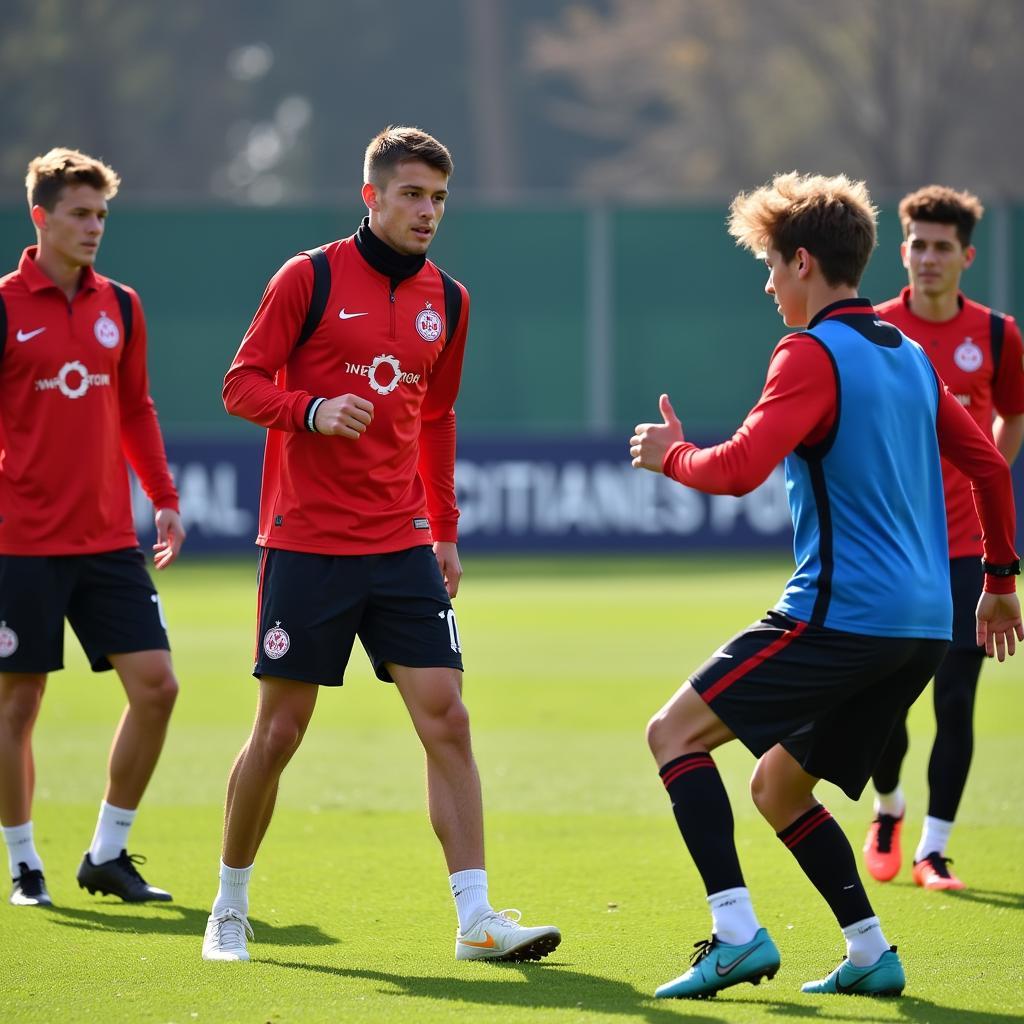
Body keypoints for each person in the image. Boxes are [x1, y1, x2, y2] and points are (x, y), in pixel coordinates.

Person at [629, 171, 1021, 999]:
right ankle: (871, 950)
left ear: (803, 262)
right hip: (922, 625)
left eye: (771, 266)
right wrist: (997, 580)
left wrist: (671, 456)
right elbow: (989, 462)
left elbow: (736, 470)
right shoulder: (908, 355)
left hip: (843, 615)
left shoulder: (809, 354)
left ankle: (735, 934)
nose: (769, 285)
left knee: (673, 736)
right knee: (777, 785)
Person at [201, 126, 560, 964]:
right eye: (411, 195)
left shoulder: (452, 300)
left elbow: (436, 417)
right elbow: (239, 384)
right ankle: (229, 906)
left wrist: (443, 531)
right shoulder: (310, 276)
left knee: (449, 718)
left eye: (438, 197)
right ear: (372, 196)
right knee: (280, 732)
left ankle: (475, 920)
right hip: (308, 543)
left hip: (402, 545)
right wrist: (311, 409)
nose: (427, 211)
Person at [0, 147, 185, 908]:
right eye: (79, 213)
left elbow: (135, 408)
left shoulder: (124, 306)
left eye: (102, 215)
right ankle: (22, 863)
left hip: (108, 538)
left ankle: (107, 852)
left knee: (158, 687)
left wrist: (162, 496)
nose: (93, 227)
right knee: (19, 703)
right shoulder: (5, 304)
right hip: (21, 542)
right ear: (40, 217)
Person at [863, 186, 1024, 892]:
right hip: (892, 547)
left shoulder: (996, 335)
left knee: (956, 697)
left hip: (965, 548)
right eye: (917, 245)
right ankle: (890, 804)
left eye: (941, 247)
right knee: (882, 703)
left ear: (967, 256)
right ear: (903, 252)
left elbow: (1012, 418)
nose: (928, 258)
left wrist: (988, 478)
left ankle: (934, 850)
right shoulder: (872, 328)